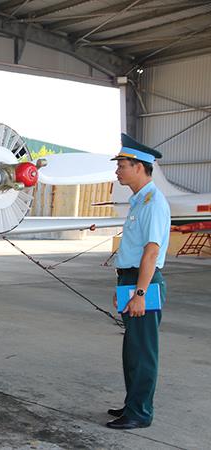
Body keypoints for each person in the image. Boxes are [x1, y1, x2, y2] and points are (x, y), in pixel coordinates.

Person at [106, 133, 170, 430]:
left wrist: (140, 293)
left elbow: (152, 251)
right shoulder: (139, 201)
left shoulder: (154, 203)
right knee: (132, 349)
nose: (117, 170)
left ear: (140, 166)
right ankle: (133, 403)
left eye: (122, 164)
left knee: (143, 351)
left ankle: (140, 412)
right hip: (131, 280)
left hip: (144, 282)